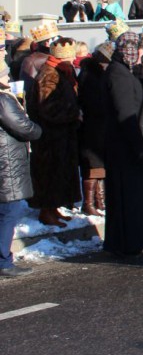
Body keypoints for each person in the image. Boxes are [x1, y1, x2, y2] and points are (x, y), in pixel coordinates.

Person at [101, 32, 143, 255]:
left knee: (137, 195)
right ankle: (128, 241)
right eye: (138, 49)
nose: (140, 53)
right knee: (129, 197)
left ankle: (138, 238)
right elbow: (126, 114)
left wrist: (139, 72)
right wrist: (140, 147)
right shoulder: (118, 76)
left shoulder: (125, 73)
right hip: (127, 150)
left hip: (132, 147)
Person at [26, 36, 81, 228]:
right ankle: (45, 211)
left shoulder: (63, 71)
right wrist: (73, 113)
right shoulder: (49, 74)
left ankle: (54, 207)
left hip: (61, 134)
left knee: (59, 174)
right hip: (50, 137)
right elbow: (47, 107)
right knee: (49, 174)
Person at [0, 58, 42, 277]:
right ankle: (3, 261)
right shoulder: (3, 100)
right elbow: (25, 128)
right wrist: (35, 128)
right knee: (9, 211)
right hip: (6, 162)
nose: (9, 77)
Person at [76, 42, 114, 215]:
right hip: (93, 125)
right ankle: (89, 203)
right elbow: (93, 101)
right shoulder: (91, 75)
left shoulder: (95, 73)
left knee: (100, 165)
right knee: (92, 166)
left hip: (100, 125)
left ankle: (100, 200)